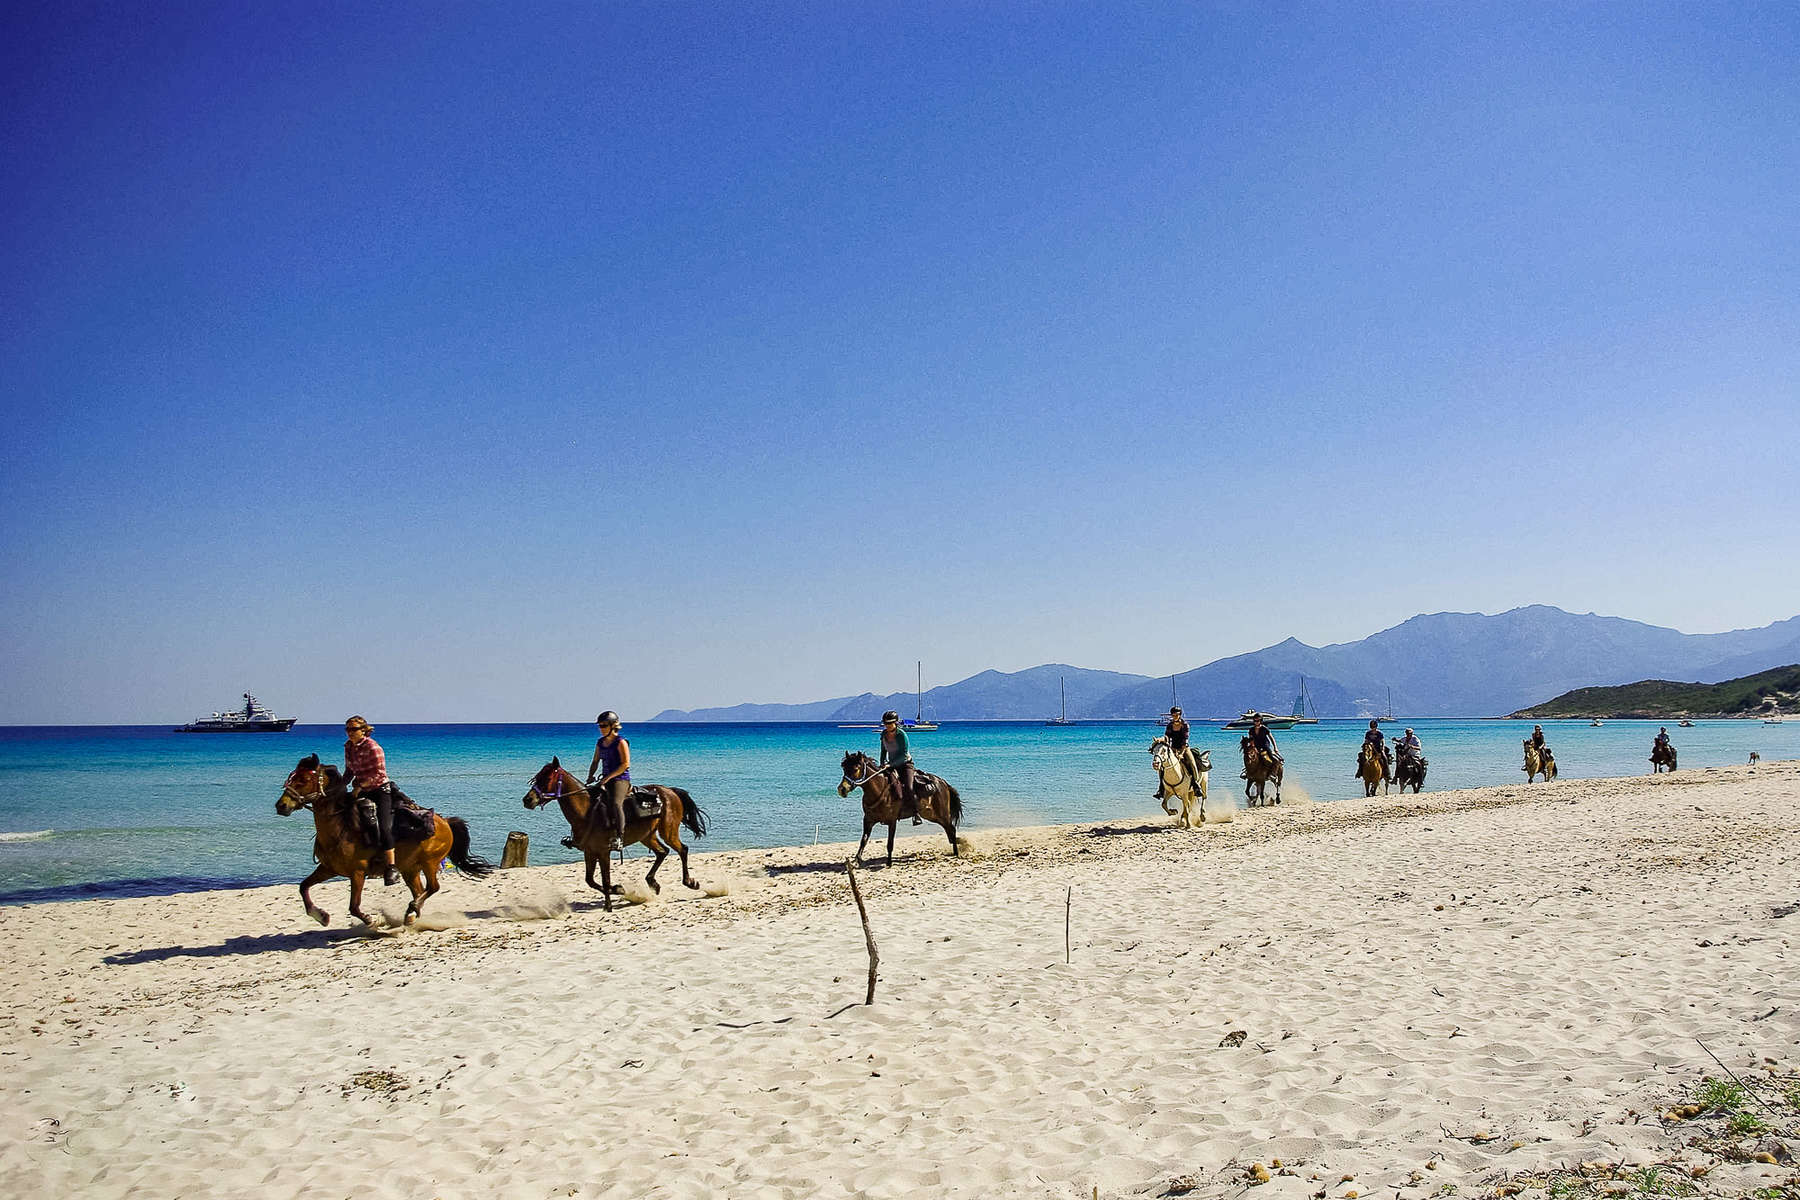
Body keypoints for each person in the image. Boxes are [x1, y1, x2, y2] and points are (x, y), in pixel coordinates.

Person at [342, 715, 400, 887]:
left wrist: (359, 788)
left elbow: (379, 774)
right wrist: (339, 786)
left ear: (363, 730)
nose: (349, 733)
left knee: (384, 826)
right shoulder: (348, 747)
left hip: (379, 790)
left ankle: (391, 867)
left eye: (353, 729)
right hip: (360, 789)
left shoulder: (373, 747)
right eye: (347, 729)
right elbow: (349, 771)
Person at [584, 711, 631, 841]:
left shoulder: (620, 742)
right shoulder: (600, 743)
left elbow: (625, 764)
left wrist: (607, 778)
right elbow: (595, 761)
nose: (601, 729)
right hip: (605, 779)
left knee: (616, 803)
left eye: (604, 725)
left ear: (612, 726)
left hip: (620, 779)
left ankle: (620, 837)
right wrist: (590, 776)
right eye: (600, 726)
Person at [879, 710, 921, 824]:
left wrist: (890, 764)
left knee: (908, 786)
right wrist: (882, 763)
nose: (887, 726)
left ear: (896, 723)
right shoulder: (883, 734)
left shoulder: (902, 735)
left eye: (890, 723)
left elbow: (903, 755)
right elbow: (883, 751)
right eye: (885, 723)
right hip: (891, 765)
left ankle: (915, 813)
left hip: (905, 764)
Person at [1157, 706, 1201, 800]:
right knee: (1162, 767)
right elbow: (1167, 737)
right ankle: (1161, 789)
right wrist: (1160, 739)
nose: (1175, 716)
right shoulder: (1169, 725)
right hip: (1173, 749)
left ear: (1180, 715)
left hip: (1184, 749)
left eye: (1176, 715)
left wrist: (1181, 753)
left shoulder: (1185, 725)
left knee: (1192, 764)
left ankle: (1196, 786)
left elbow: (1185, 740)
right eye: (1173, 715)